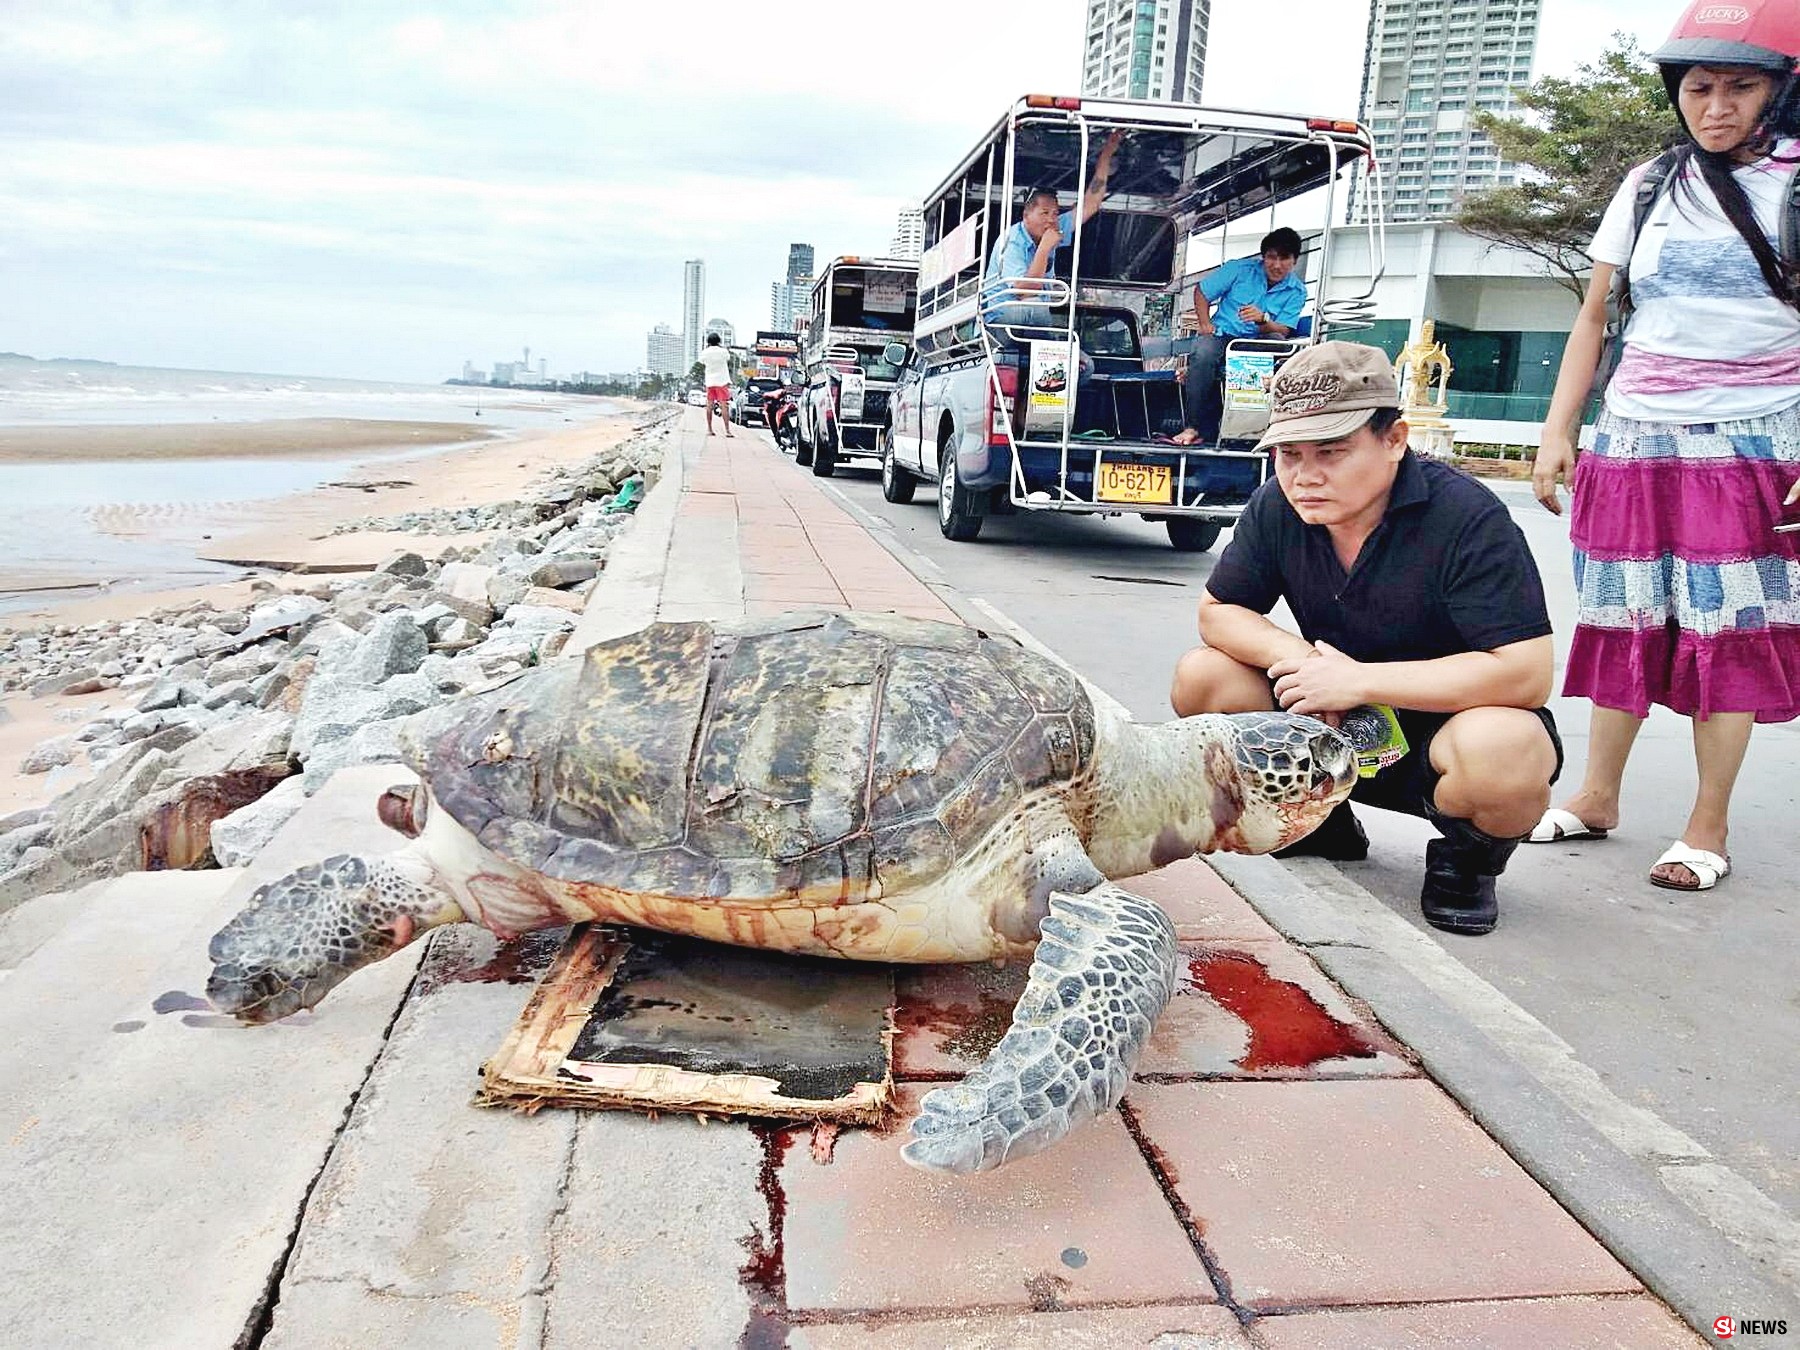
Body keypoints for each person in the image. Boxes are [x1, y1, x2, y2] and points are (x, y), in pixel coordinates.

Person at [1529, 0, 1800, 893]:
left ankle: (1705, 824)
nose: (1715, 105)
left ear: (1784, 91)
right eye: (1699, 86)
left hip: (1752, 437)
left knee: (1726, 627)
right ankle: (1596, 795)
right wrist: (1561, 428)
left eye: (1740, 86)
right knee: (1623, 613)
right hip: (1634, 431)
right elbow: (1596, 315)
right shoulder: (1650, 182)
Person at [1170, 342, 1561, 935]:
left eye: (1332, 451)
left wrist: (1360, 680)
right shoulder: (1279, 505)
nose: (1306, 476)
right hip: (1326, 724)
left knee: (1506, 746)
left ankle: (1466, 864)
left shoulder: (1465, 518)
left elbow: (1526, 672)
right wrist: (1301, 662)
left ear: (1394, 439)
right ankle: (1318, 818)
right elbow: (1220, 611)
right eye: (1289, 454)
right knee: (1203, 677)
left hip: (1442, 732)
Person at [1171, 227, 1308, 445]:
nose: (1277, 265)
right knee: (1204, 352)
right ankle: (1192, 427)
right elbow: (1202, 292)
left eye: (1284, 258)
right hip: (1223, 336)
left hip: (1257, 341)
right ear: (1263, 258)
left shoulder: (1297, 291)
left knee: (1280, 345)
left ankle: (1272, 426)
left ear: (1294, 261)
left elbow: (1283, 330)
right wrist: (1205, 324)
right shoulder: (1239, 269)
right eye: (1272, 257)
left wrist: (1262, 320)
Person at [984, 129, 1125, 333]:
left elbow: (1090, 205)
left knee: (1086, 364)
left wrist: (1106, 155)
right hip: (1001, 317)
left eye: (1056, 213)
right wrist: (1044, 248)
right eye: (1044, 213)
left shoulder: (1055, 226)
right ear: (1026, 215)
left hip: (1033, 312)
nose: (1051, 219)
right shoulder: (1012, 240)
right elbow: (1024, 292)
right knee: (1037, 310)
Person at [699, 332, 734, 438]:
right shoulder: (723, 351)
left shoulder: (705, 352)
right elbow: (728, 358)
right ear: (719, 341)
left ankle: (709, 429)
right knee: (724, 406)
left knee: (709, 405)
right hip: (722, 381)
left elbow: (702, 362)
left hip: (710, 381)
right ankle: (727, 430)